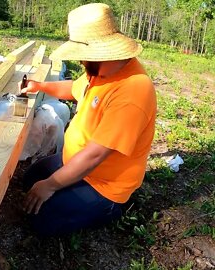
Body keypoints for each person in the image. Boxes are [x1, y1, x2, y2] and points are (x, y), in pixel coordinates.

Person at [20, 3, 157, 236]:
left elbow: (95, 154)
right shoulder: (102, 71)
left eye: (83, 57)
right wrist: (39, 86)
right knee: (30, 179)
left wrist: (51, 185)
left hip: (105, 183)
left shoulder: (132, 91)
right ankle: (65, 185)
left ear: (100, 53)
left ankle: (111, 208)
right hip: (77, 162)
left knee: (41, 219)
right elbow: (74, 88)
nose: (81, 62)